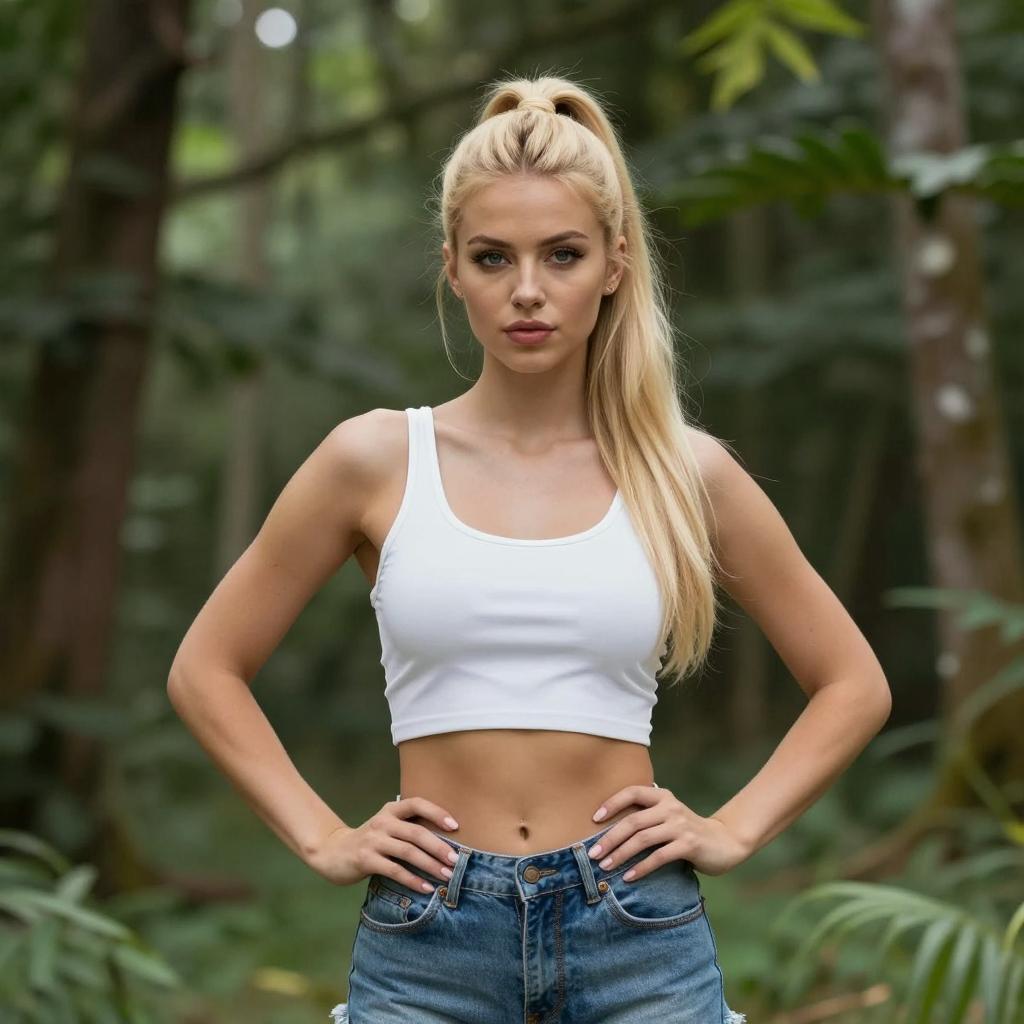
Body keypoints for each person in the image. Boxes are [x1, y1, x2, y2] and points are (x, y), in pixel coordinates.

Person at [167, 74, 892, 1024]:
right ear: (452, 270)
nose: (528, 292)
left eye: (562, 255)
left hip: (637, 935)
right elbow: (206, 668)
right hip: (428, 941)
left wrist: (732, 826)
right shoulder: (374, 459)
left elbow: (853, 683)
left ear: (616, 263)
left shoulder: (686, 473)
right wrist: (320, 837)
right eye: (493, 257)